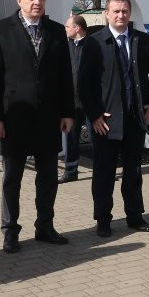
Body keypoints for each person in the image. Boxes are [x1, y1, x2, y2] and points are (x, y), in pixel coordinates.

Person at [0, 0, 74, 254]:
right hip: (14, 119)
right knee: (12, 177)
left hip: (48, 119)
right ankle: (10, 231)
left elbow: (65, 77)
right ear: (19, 0)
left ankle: (45, 226)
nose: (38, 2)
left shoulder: (57, 31)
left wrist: (68, 112)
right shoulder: (0, 31)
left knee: (47, 177)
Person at [78, 0, 149, 237]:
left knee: (133, 173)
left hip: (135, 119)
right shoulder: (94, 43)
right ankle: (103, 219)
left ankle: (135, 216)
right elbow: (84, 84)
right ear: (106, 13)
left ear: (130, 12)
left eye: (124, 11)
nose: (120, 15)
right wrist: (94, 115)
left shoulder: (142, 40)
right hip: (106, 122)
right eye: (115, 11)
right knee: (104, 174)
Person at [59, 15, 89, 183]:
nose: (65, 29)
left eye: (67, 26)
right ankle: (70, 171)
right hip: (72, 102)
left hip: (92, 101)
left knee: (99, 138)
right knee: (69, 137)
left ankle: (104, 171)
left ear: (77, 28)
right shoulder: (64, 46)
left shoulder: (94, 45)